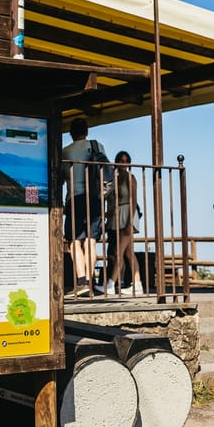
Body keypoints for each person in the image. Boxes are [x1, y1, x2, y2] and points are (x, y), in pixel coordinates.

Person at [61, 117, 105, 295]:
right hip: (95, 198)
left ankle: (82, 281)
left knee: (74, 241)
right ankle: (90, 279)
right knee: (91, 241)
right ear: (86, 131)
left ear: (71, 133)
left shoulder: (65, 152)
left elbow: (62, 176)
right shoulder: (97, 146)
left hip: (75, 197)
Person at [104, 151, 143, 296]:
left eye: (126, 161)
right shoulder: (115, 179)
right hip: (118, 215)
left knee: (118, 251)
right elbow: (112, 200)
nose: (123, 163)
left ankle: (110, 283)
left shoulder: (130, 178)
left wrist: (129, 222)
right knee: (127, 252)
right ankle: (137, 283)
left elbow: (133, 200)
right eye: (120, 160)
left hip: (128, 215)